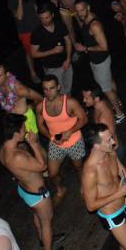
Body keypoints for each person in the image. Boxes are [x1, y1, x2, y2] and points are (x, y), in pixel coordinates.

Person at [0, 113, 64, 250]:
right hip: (37, 195)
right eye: (22, 129)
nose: (25, 131)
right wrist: (34, 144)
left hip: (25, 190)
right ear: (15, 133)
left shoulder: (2, 149)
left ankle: (43, 239)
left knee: (37, 216)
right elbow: (42, 166)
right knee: (46, 222)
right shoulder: (17, 156)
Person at [35, 75, 87, 205]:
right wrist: (51, 138)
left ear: (58, 87)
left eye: (51, 88)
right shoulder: (40, 106)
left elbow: (84, 119)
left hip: (74, 141)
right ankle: (60, 189)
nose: (48, 92)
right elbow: (40, 125)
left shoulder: (70, 102)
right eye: (45, 89)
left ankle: (84, 187)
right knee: (52, 174)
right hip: (55, 143)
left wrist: (70, 131)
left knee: (79, 168)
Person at [74, 0, 124, 122]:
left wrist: (85, 48)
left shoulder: (94, 25)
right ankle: (117, 100)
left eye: (82, 10)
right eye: (77, 11)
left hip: (100, 61)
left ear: (88, 8)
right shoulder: (87, 18)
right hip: (100, 59)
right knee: (109, 81)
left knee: (106, 89)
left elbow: (104, 47)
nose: (79, 13)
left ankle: (119, 113)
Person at [30, 3, 73, 95]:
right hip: (52, 68)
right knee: (59, 93)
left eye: (47, 17)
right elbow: (33, 54)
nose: (44, 21)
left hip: (66, 62)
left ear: (52, 15)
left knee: (68, 89)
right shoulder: (37, 33)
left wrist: (68, 59)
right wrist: (53, 51)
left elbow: (68, 41)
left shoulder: (60, 24)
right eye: (41, 18)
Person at [0, 61, 43, 136]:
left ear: (7, 74)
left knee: (32, 141)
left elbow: (40, 98)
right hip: (11, 121)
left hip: (25, 121)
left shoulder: (19, 89)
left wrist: (31, 107)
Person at [6, 0, 41, 83]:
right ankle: (33, 73)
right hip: (25, 31)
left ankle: (47, 67)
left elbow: (35, 8)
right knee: (30, 53)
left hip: (37, 26)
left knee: (44, 47)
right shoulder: (11, 0)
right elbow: (19, 16)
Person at [82, 85, 124, 160]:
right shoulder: (102, 103)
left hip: (113, 152)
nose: (83, 100)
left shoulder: (104, 118)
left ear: (96, 99)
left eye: (86, 98)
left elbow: (109, 141)